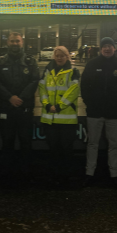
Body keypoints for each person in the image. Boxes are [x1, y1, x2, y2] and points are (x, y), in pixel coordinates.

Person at [80, 37, 117, 188]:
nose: (107, 48)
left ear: (114, 48)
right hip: (94, 112)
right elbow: (84, 86)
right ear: (100, 48)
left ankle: (114, 174)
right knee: (92, 143)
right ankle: (90, 173)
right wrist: (89, 103)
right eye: (104, 46)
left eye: (110, 45)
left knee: (114, 144)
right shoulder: (92, 64)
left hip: (114, 113)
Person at [0, 32, 40, 186]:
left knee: (26, 142)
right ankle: (7, 176)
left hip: (24, 108)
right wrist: (10, 98)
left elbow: (34, 81)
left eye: (17, 41)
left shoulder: (30, 61)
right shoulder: (0, 62)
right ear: (8, 43)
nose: (15, 43)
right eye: (12, 41)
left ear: (22, 42)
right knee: (7, 142)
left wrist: (21, 98)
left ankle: (26, 175)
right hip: (7, 107)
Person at [39, 46, 80, 186]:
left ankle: (66, 178)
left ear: (67, 57)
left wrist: (58, 106)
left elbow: (73, 91)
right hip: (50, 118)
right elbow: (42, 88)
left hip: (66, 120)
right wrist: (45, 104)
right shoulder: (47, 71)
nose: (60, 57)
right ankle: (53, 177)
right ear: (54, 57)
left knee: (66, 150)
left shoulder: (73, 71)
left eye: (63, 55)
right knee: (53, 149)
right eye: (57, 55)